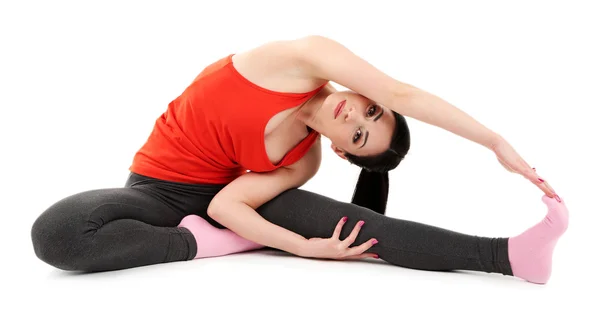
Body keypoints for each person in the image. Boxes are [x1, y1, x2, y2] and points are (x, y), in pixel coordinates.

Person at [31, 35, 567, 284]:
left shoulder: (302, 161)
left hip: (222, 202)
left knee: (359, 230)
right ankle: (208, 244)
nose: (354, 115)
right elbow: (403, 93)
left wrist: (306, 247)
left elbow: (226, 200)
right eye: (371, 110)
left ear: (340, 149)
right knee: (59, 235)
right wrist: (494, 141)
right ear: (365, 92)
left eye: (358, 135)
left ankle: (507, 255)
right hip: (155, 190)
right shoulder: (300, 58)